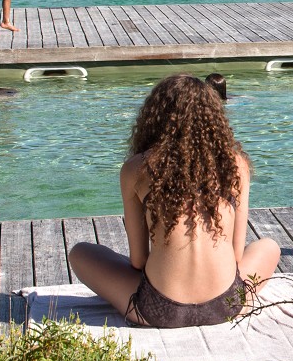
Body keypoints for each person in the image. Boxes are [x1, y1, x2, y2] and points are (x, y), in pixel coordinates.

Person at [68, 74, 280, 327]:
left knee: (81, 253)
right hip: (228, 304)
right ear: (214, 118)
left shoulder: (136, 169)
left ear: (154, 117)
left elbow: (138, 261)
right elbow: (236, 256)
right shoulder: (236, 166)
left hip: (159, 310)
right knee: (269, 246)